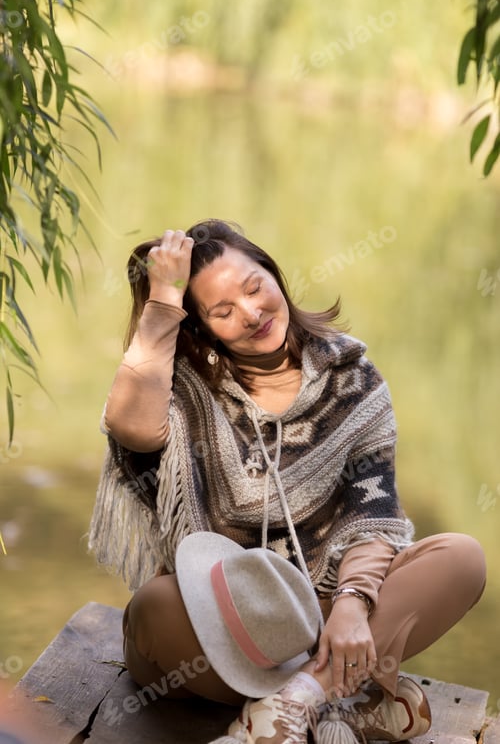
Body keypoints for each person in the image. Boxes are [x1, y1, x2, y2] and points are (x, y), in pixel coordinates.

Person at [89, 220, 486, 744]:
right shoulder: (183, 388)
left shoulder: (349, 374)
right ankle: (346, 701)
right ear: (199, 327)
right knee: (151, 610)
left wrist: (352, 601)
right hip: (220, 628)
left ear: (273, 273)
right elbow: (129, 427)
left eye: (254, 288)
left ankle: (294, 703)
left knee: (461, 557)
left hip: (322, 613)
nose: (252, 314)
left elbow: (373, 511)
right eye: (222, 311)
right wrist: (163, 299)